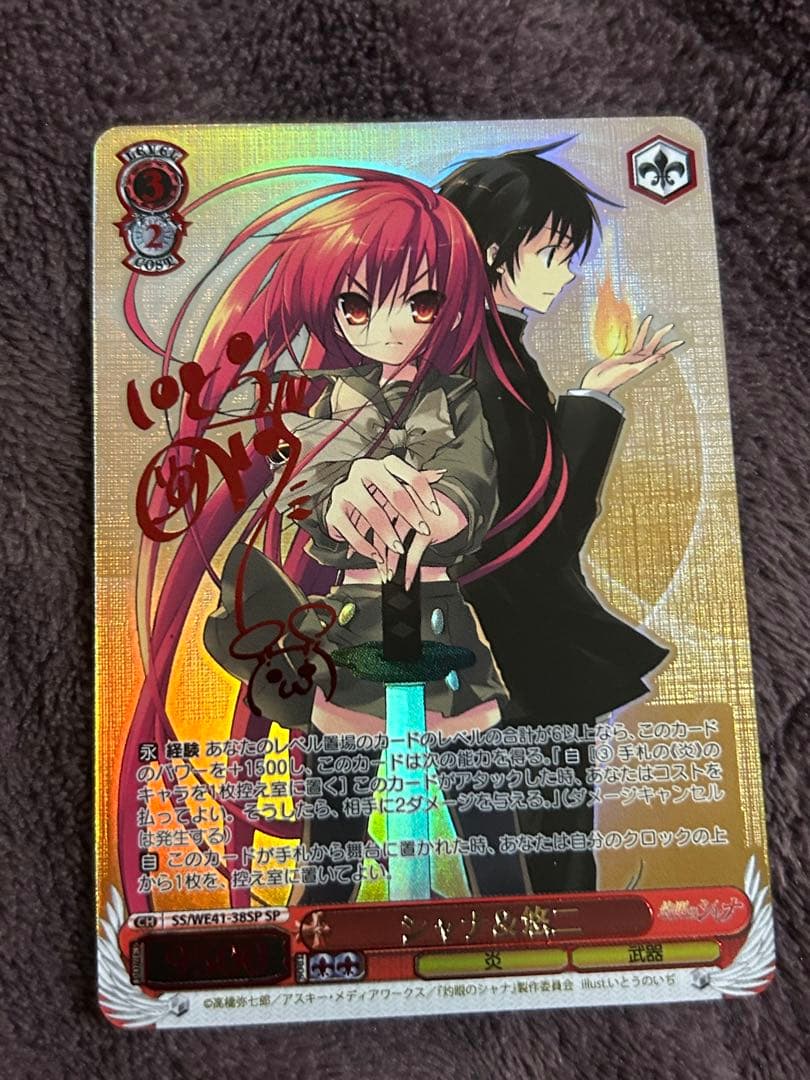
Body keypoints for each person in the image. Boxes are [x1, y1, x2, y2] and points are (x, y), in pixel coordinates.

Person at [120, 166, 552, 910]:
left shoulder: (458, 400)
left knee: (491, 834)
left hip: (441, 620)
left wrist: (435, 510)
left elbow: (470, 486)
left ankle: (515, 932)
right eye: (358, 304)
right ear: (332, 309)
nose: (389, 326)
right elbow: (308, 489)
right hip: (352, 628)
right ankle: (322, 937)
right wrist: (343, 494)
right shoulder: (320, 407)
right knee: (335, 844)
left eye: (419, 301)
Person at [438, 144, 682, 892]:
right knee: (536, 862)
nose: (567, 273)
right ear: (491, 251)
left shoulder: (489, 355)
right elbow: (545, 519)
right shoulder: (479, 368)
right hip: (511, 643)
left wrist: (590, 394)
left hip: (498, 645)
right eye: (551, 252)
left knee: (526, 857)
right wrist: (592, 407)